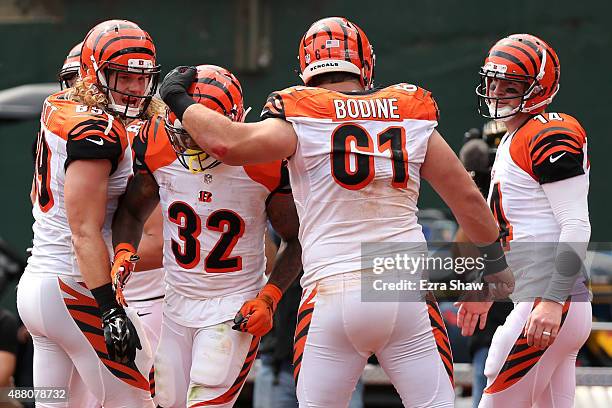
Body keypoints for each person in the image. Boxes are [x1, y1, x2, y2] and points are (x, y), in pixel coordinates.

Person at [160, 16, 514, 408]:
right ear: (365, 65)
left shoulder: (299, 113)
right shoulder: (407, 111)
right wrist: (495, 272)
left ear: (307, 68)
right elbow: (467, 198)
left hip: (332, 288)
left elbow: (226, 143)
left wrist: (178, 97)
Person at [112, 64, 302, 407]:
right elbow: (131, 210)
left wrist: (269, 297)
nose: (192, 144)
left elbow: (296, 238)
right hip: (175, 302)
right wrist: (124, 250)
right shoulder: (157, 143)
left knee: (207, 399)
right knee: (165, 402)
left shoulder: (264, 162)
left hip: (231, 306)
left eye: (199, 133)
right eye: (183, 134)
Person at [17, 19, 160, 407]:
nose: (134, 88)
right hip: (75, 286)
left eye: (141, 78)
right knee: (136, 401)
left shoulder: (58, 107)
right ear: (93, 73)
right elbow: (84, 231)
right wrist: (109, 308)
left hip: (42, 285)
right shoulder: (97, 132)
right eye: (121, 76)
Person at [458, 33, 591, 407]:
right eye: (494, 81)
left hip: (549, 300)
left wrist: (551, 301)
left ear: (539, 88)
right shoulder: (513, 136)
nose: (498, 91)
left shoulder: (549, 131)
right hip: (550, 300)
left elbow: (576, 225)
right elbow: (518, 230)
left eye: (511, 85)